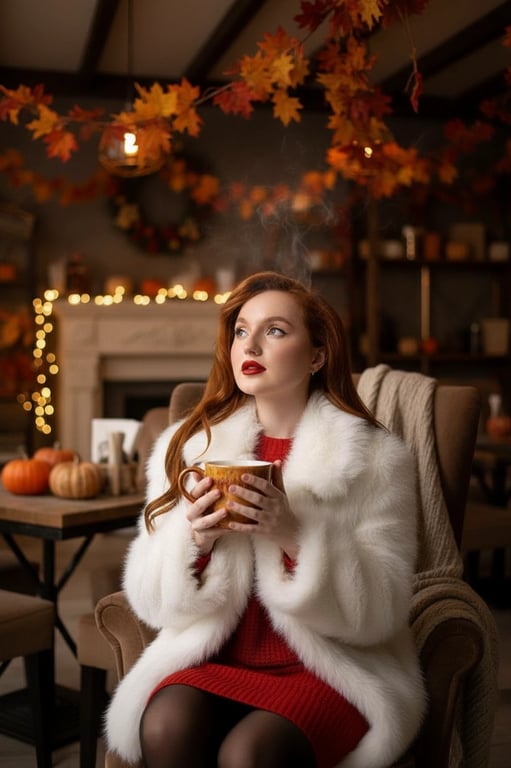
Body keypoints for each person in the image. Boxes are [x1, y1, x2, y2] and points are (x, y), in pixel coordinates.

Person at [105, 270, 426, 768]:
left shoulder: (376, 458)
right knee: (165, 725)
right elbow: (151, 599)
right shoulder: (189, 448)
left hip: (328, 667)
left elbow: (382, 608)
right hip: (216, 658)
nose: (249, 344)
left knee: (248, 754)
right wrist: (195, 539)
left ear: (317, 355)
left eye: (275, 330)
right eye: (240, 330)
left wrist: (296, 534)